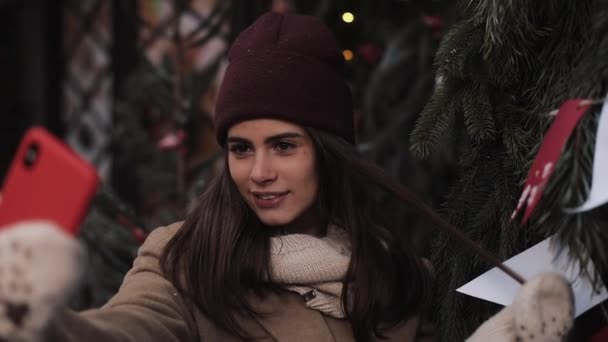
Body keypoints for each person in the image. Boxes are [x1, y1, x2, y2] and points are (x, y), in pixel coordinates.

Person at [0, 11, 574, 342]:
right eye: (240, 148)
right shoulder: (184, 258)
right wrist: (46, 325)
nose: (259, 173)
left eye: (284, 146)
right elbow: (129, 328)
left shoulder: (396, 278)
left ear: (328, 151)